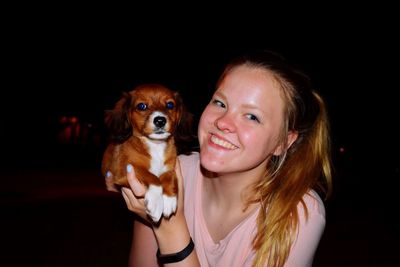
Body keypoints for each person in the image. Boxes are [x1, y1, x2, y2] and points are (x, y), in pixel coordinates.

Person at [112, 50, 333, 267]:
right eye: (220, 103)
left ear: (283, 142)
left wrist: (168, 227)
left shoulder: (300, 211)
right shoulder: (172, 171)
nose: (223, 122)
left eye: (252, 116)